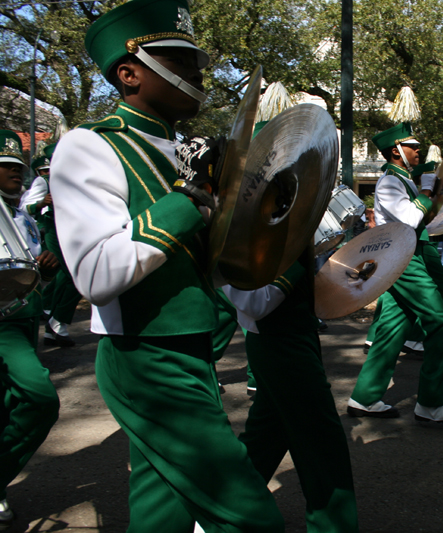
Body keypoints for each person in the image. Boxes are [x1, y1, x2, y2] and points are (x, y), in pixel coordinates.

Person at [49, 1, 284, 530]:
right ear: (130, 73)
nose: (198, 75)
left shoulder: (181, 150)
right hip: (144, 354)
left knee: (164, 514)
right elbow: (94, 275)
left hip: (193, 349)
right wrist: (188, 201)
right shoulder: (88, 146)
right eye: (179, 62)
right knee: (250, 517)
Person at [223, 254, 359, 533]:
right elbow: (255, 302)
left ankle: (221, 510)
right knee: (322, 445)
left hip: (294, 336)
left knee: (266, 437)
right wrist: (299, 255)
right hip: (280, 344)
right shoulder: (234, 235)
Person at [347, 123, 443, 424]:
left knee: (391, 328)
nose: (418, 151)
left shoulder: (403, 181)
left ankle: (364, 397)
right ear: (396, 151)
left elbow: (425, 216)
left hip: (405, 255)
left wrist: (438, 195)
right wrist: (428, 189)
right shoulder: (390, 182)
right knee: (440, 323)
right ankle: (431, 402)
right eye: (413, 147)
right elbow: (410, 217)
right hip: (404, 258)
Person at [0, 130, 60, 528]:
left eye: (18, 167)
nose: (15, 174)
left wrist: (45, 266)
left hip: (27, 316)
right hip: (2, 322)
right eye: (5, 168)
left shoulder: (22, 214)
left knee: (9, 403)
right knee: (40, 398)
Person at [22, 143, 82, 347]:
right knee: (75, 275)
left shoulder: (73, 179)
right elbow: (23, 208)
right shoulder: (43, 181)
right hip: (53, 228)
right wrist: (41, 203)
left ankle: (53, 324)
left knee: (66, 277)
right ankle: (56, 322)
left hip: (73, 228)